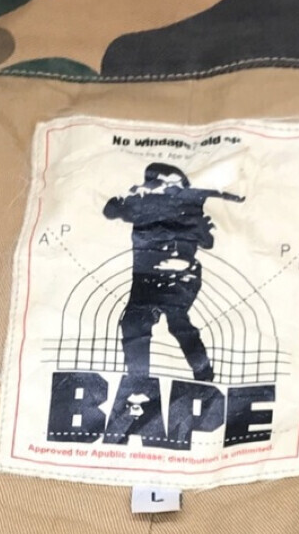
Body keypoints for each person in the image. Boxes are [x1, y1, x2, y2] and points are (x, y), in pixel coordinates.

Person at [102, 161, 244, 381]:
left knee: (176, 322)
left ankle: (202, 375)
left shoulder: (185, 203)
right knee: (137, 324)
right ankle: (140, 379)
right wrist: (127, 198)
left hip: (179, 276)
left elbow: (207, 240)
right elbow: (111, 210)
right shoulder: (142, 203)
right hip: (146, 277)